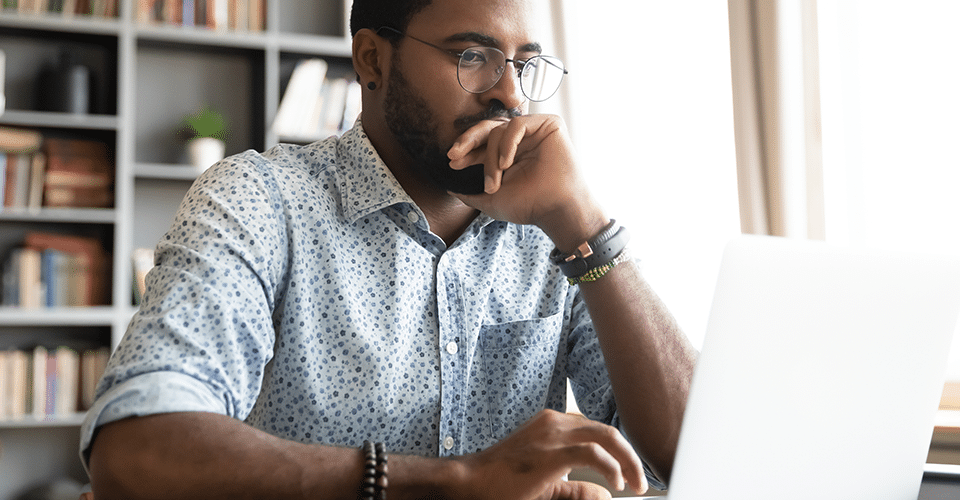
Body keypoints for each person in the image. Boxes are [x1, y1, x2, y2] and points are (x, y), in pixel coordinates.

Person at [81, 0, 698, 498]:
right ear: (372, 59)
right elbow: (138, 449)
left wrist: (587, 226)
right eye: (473, 55)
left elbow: (694, 456)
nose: (510, 96)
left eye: (524, 65)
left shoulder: (556, 231)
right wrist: (455, 484)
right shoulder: (262, 201)